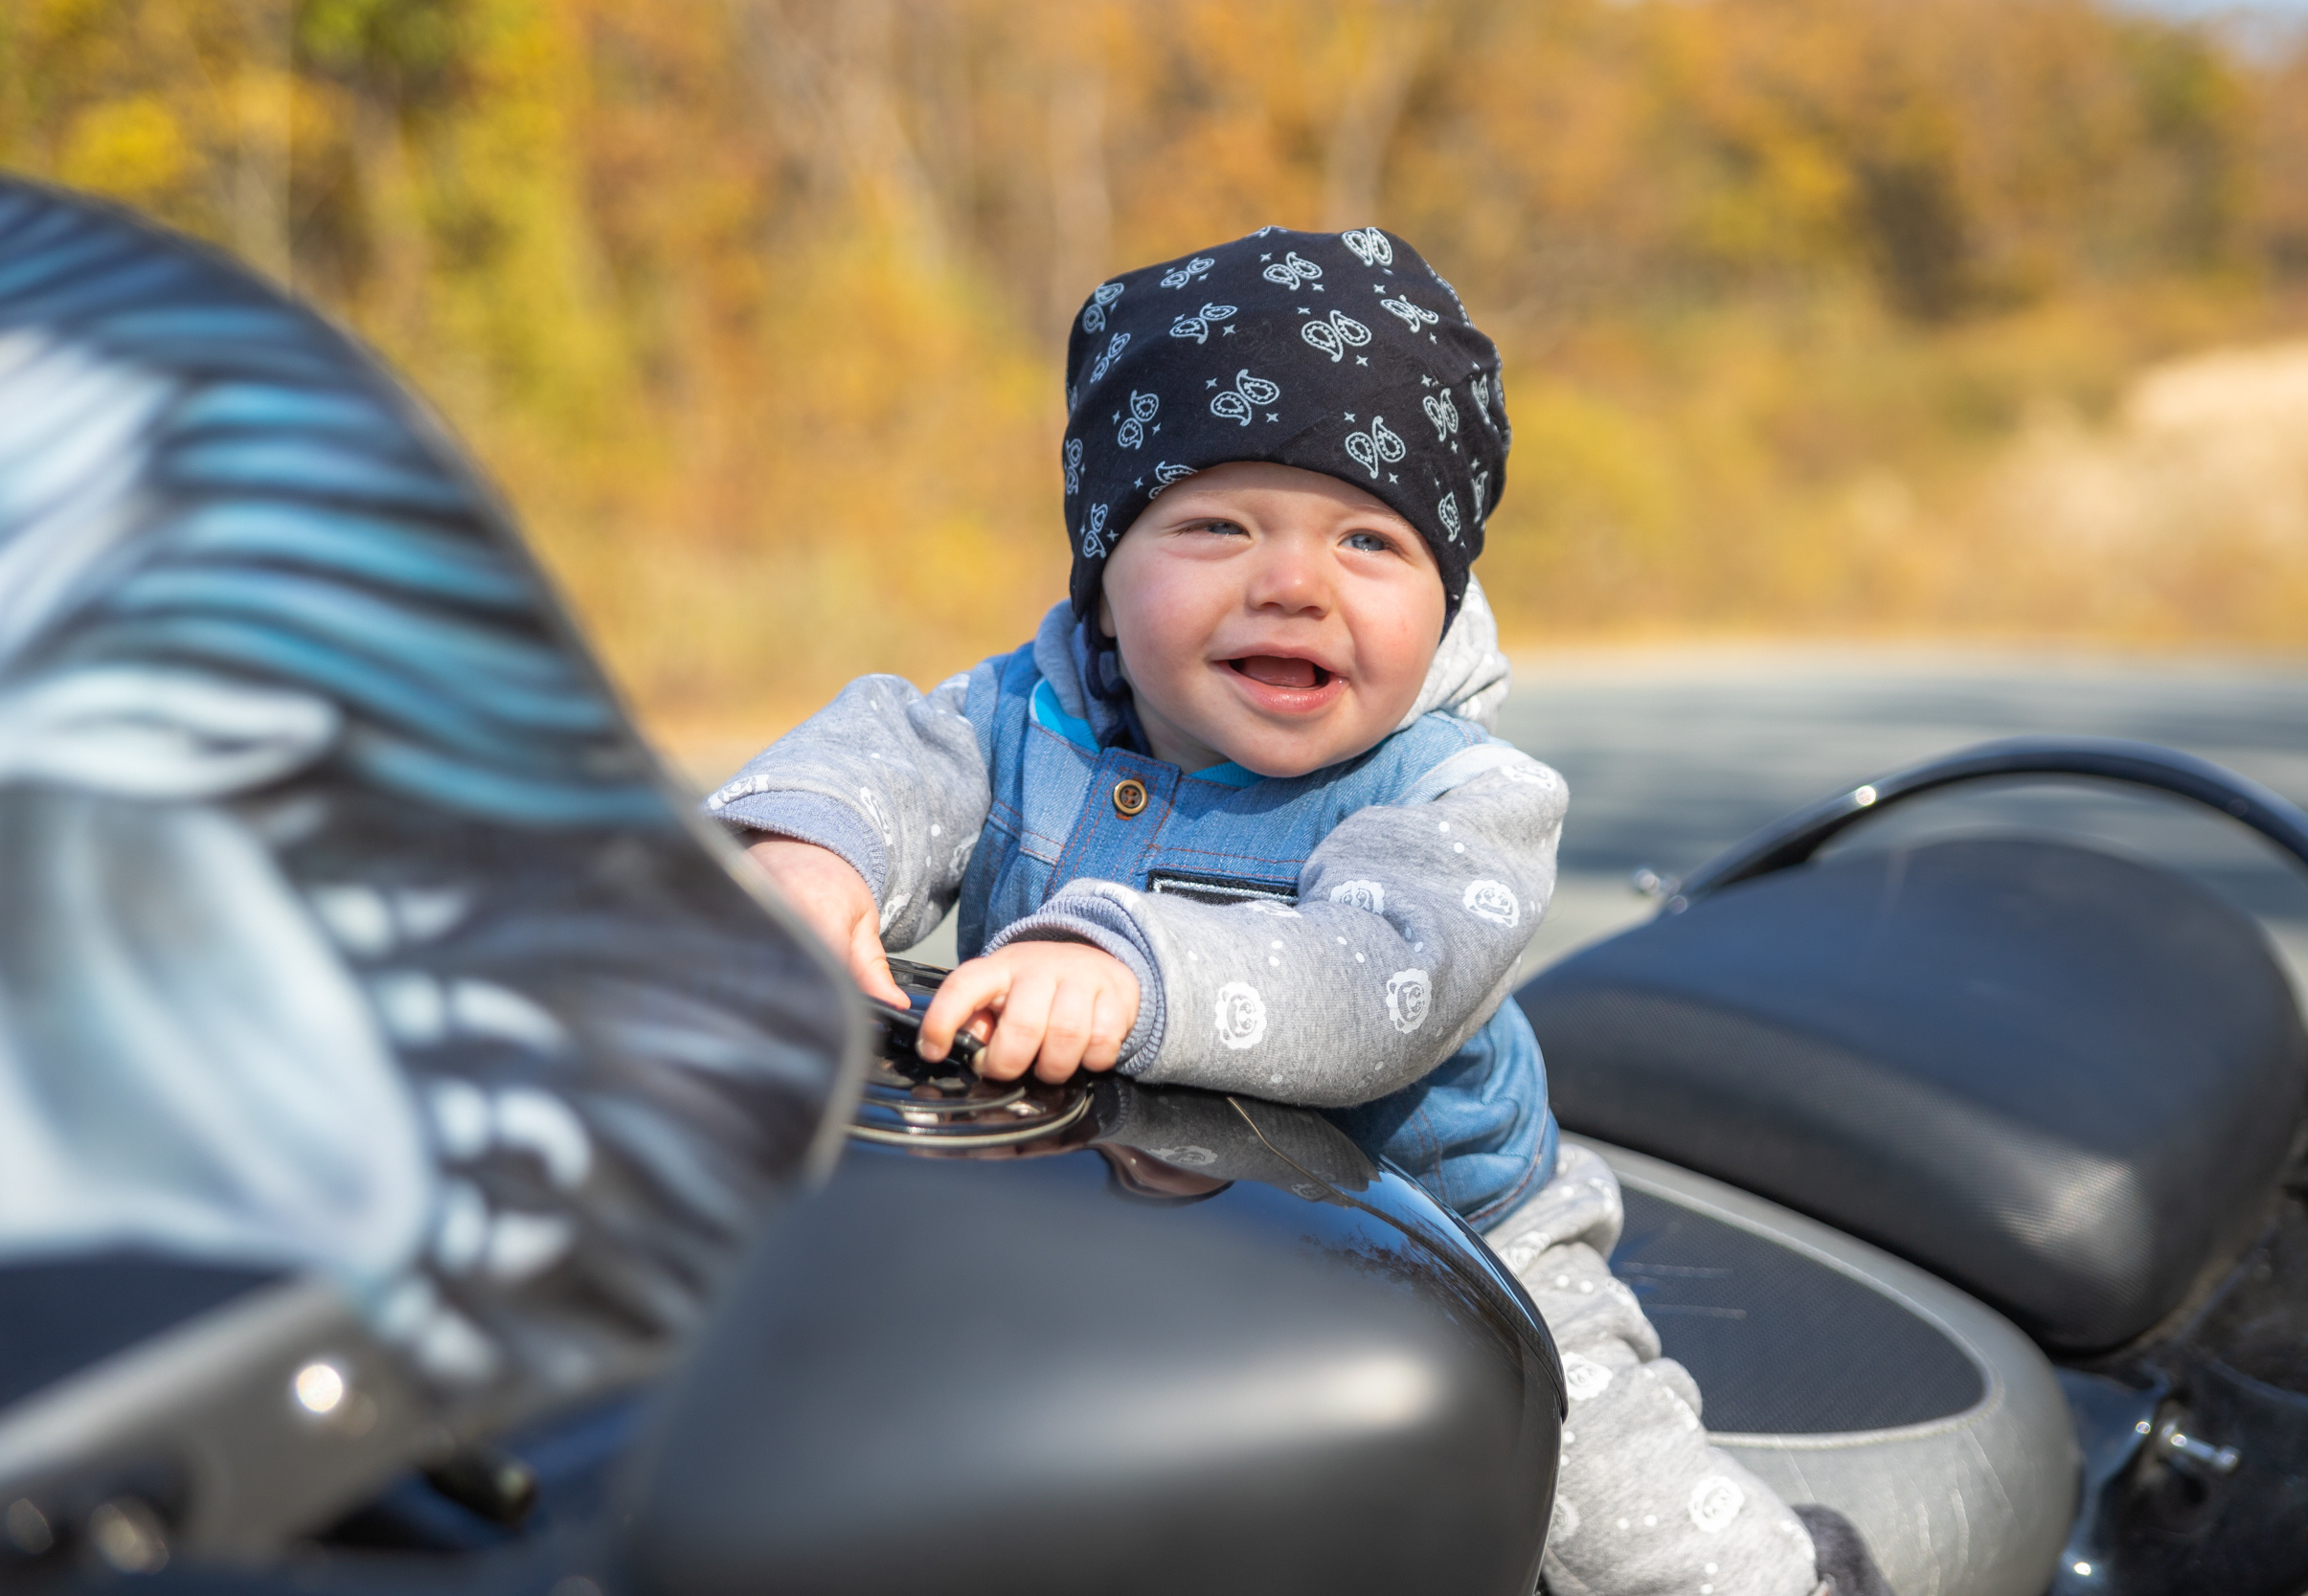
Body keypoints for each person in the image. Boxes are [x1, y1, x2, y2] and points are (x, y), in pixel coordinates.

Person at [706, 226, 1891, 1596]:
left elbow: (1372, 979)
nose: (1292, 583)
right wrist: (806, 859)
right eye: (1215, 525)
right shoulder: (1030, 713)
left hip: (1447, 1256)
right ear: (1105, 569)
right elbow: (893, 755)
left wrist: (1123, 973)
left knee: (1627, 1525)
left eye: (1369, 540)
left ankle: (1799, 1580)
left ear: (1446, 597)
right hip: (1108, 1218)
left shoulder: (1461, 798)